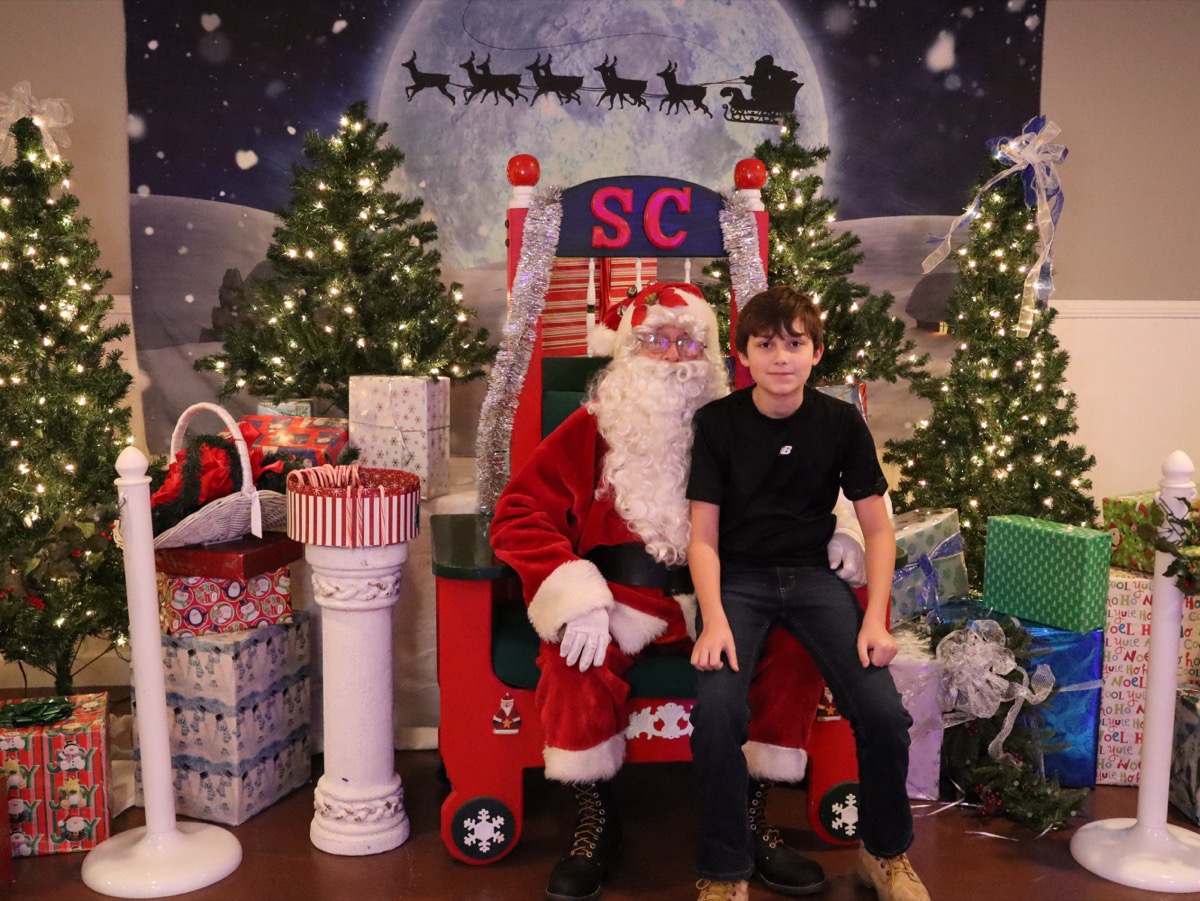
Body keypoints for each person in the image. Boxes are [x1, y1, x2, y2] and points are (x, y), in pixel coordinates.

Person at [490, 282, 871, 901]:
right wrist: (574, 593)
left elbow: (815, 483)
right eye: (656, 341)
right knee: (574, 659)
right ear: (628, 351)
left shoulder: (742, 420)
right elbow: (519, 514)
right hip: (624, 598)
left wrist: (844, 530)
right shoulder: (594, 426)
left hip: (732, 591)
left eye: (688, 343)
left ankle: (753, 814)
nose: (672, 356)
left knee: (792, 648)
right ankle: (594, 820)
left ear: (712, 354)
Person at [687, 286, 930, 901]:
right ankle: (724, 871)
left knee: (883, 713)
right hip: (738, 579)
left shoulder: (840, 423)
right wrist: (713, 619)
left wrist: (875, 619)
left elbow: (878, 529)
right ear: (744, 354)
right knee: (717, 713)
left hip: (814, 578)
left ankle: (884, 854)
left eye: (795, 344)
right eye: (766, 344)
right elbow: (703, 537)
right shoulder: (717, 424)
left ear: (816, 353)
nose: (781, 357)